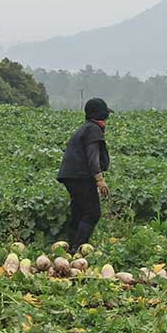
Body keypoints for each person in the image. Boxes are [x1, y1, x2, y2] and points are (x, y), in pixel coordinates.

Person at [57, 97, 113, 247]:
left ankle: (71, 247)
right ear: (101, 116)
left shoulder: (86, 128)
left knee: (79, 212)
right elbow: (92, 156)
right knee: (92, 213)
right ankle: (78, 248)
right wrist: (100, 180)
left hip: (70, 176)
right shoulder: (93, 129)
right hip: (80, 176)